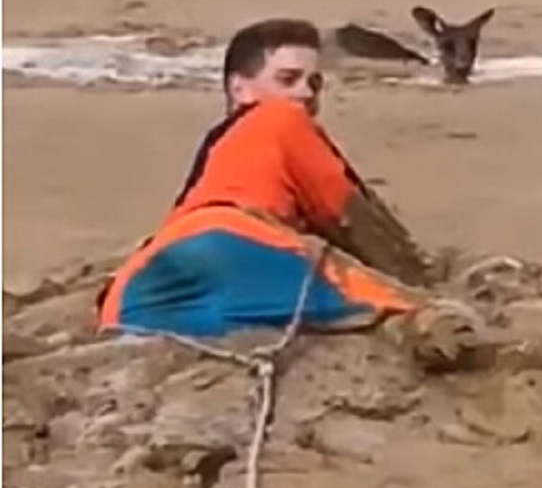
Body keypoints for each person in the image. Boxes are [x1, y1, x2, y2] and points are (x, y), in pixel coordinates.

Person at [96, 19, 459, 351]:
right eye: (288, 80)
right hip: (238, 245)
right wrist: (417, 281)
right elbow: (345, 209)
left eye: (314, 82)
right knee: (392, 303)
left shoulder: (216, 148)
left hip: (142, 285)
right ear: (240, 89)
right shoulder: (283, 119)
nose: (305, 93)